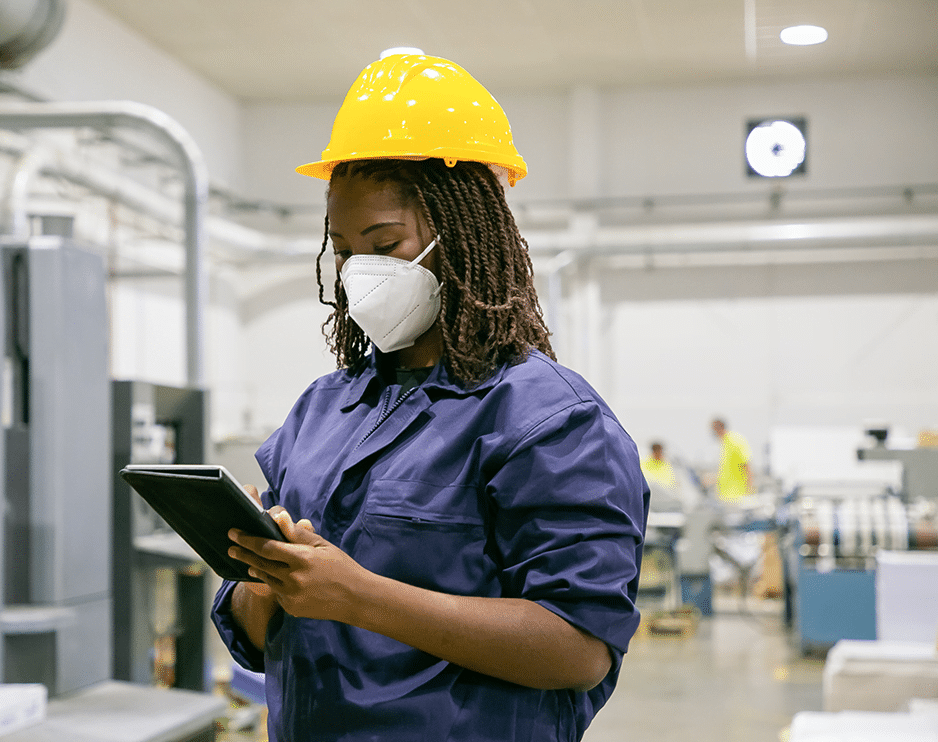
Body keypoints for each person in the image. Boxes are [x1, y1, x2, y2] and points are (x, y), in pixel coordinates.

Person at [212, 51, 649, 742]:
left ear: (467, 237)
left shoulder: (548, 420)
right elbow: (261, 634)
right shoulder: (322, 412)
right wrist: (266, 584)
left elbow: (577, 648)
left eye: (385, 244)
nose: (361, 274)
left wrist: (358, 598)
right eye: (345, 249)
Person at [710, 418, 753, 501]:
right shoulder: (724, 443)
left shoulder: (735, 440)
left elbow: (747, 465)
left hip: (737, 496)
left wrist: (748, 492)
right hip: (726, 496)